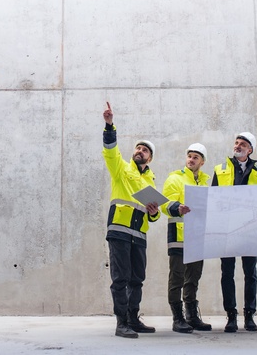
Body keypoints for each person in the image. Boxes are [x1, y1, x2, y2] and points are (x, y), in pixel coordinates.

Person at [102, 102, 160, 339]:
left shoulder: (151, 181)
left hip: (140, 235)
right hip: (120, 231)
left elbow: (153, 215)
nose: (140, 151)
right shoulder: (121, 169)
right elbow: (110, 151)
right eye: (137, 148)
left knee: (137, 279)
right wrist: (109, 127)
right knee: (121, 278)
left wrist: (154, 211)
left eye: (145, 150)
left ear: (150, 158)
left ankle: (134, 318)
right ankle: (121, 322)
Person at [212, 132, 257, 332]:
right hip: (226, 228)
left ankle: (250, 315)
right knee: (227, 272)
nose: (237, 146)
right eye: (236, 143)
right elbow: (213, 198)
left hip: (250, 228)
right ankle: (231, 316)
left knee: (250, 273)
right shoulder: (220, 168)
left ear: (250, 150)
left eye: (242, 144)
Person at [162, 143, 211, 333]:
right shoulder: (175, 178)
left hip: (198, 236)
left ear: (202, 162)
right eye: (189, 156)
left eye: (195, 157)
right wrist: (177, 207)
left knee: (193, 278)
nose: (191, 159)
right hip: (179, 235)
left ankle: (191, 316)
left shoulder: (205, 182)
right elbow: (165, 203)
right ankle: (178, 318)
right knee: (177, 278)